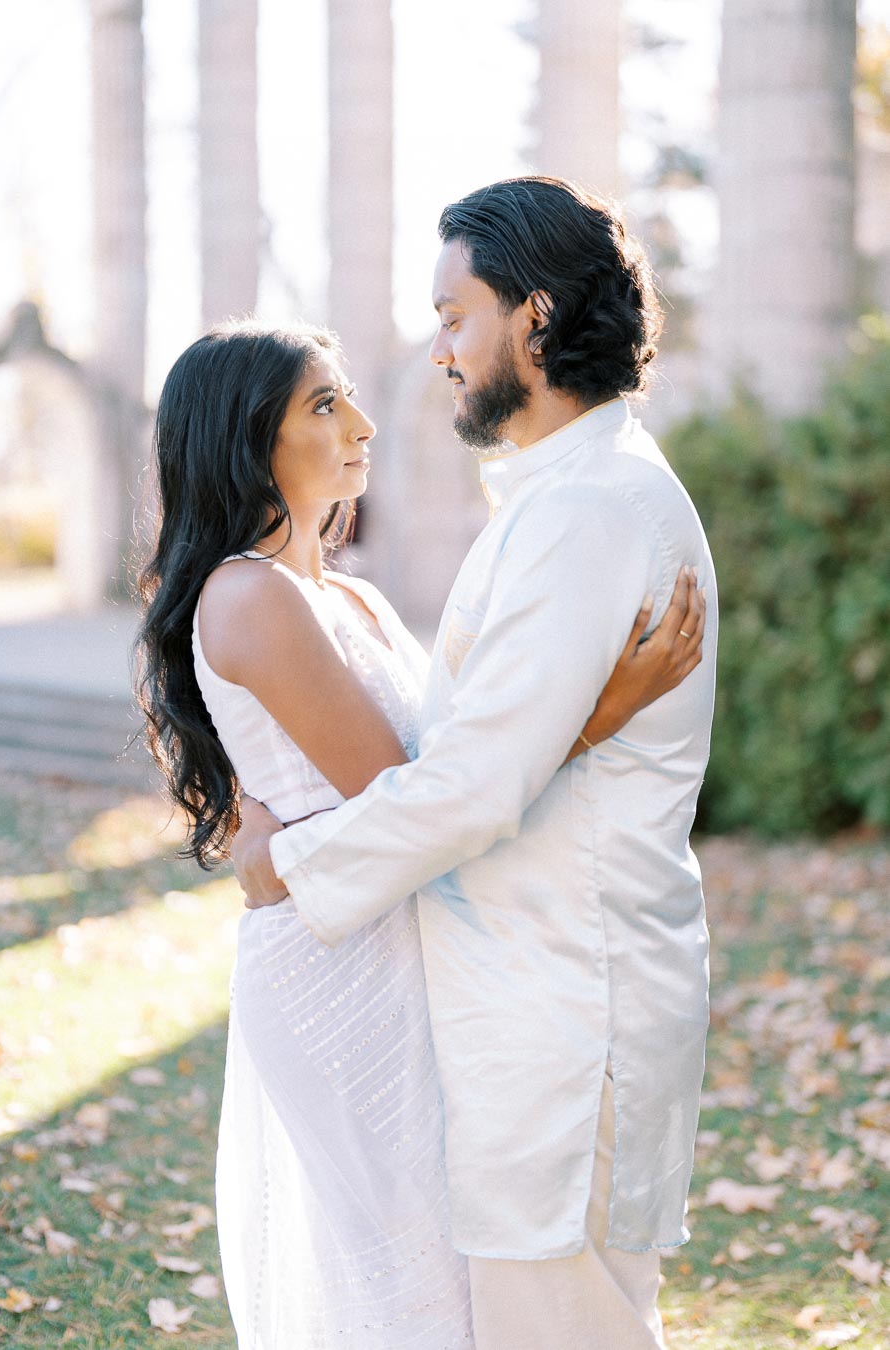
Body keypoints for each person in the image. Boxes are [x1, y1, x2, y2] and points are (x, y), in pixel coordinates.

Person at [135, 316, 705, 1349]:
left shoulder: (344, 593)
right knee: (403, 1278)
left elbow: (457, 756)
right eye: (322, 404)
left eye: (349, 393)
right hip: (337, 964)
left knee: (452, 1259)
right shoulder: (246, 595)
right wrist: (600, 711)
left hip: (405, 936)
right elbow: (413, 787)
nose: (361, 423)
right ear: (244, 438)